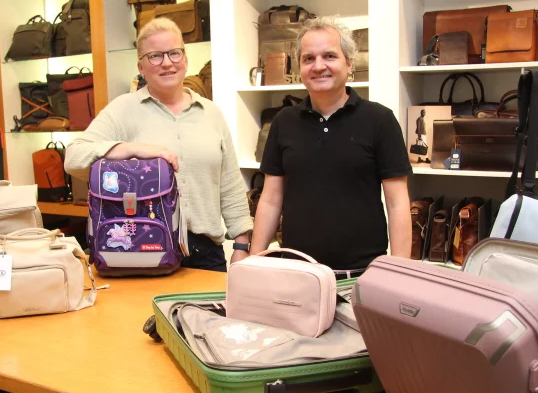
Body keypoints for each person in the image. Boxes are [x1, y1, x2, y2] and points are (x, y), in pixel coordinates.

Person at [64, 18, 252, 272]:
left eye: (174, 53)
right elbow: (74, 157)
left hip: (206, 254)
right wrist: (132, 149)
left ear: (185, 59)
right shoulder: (124, 109)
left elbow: (230, 186)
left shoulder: (211, 114)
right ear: (141, 66)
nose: (167, 63)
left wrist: (241, 247)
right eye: (155, 56)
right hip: (142, 249)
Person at [251, 16, 412, 276]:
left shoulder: (379, 120)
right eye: (308, 58)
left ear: (349, 64)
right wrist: (254, 262)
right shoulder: (284, 121)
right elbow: (270, 200)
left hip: (362, 274)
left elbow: (397, 203)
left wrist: (401, 272)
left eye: (329, 56)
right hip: (297, 273)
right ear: (300, 68)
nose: (318, 66)